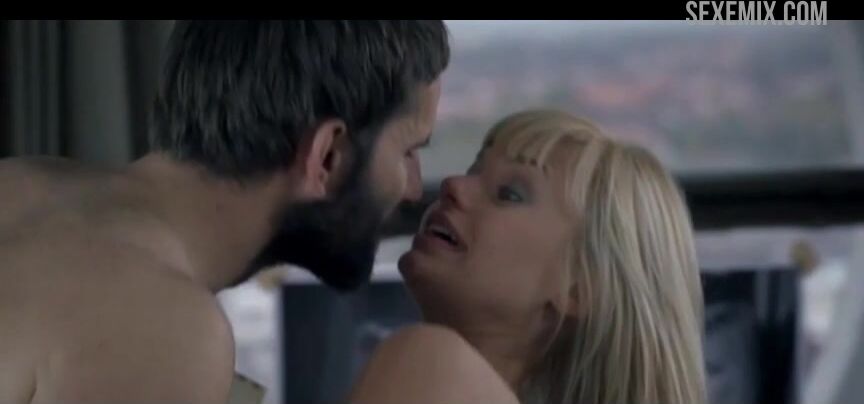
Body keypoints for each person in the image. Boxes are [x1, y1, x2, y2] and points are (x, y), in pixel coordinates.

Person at [0, 20, 448, 403]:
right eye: (408, 151)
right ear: (327, 156)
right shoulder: (165, 330)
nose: (413, 188)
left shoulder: (19, 180)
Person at [351, 109, 707, 404]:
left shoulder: (427, 358)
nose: (454, 184)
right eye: (474, 170)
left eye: (509, 194)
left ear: (579, 289)